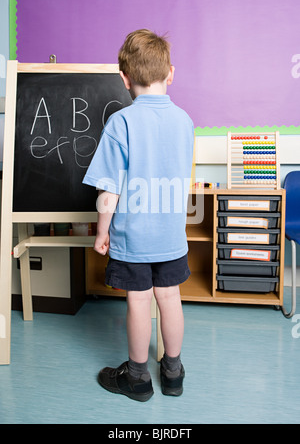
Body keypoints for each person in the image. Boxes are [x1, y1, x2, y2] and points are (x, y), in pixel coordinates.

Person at [83, 29, 194, 402]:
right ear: (171, 73)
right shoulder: (184, 121)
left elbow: (109, 188)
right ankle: (174, 372)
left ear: (125, 78)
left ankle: (137, 378)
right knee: (170, 297)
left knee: (138, 301)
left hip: (134, 235)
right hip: (171, 233)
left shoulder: (121, 122)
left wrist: (102, 231)